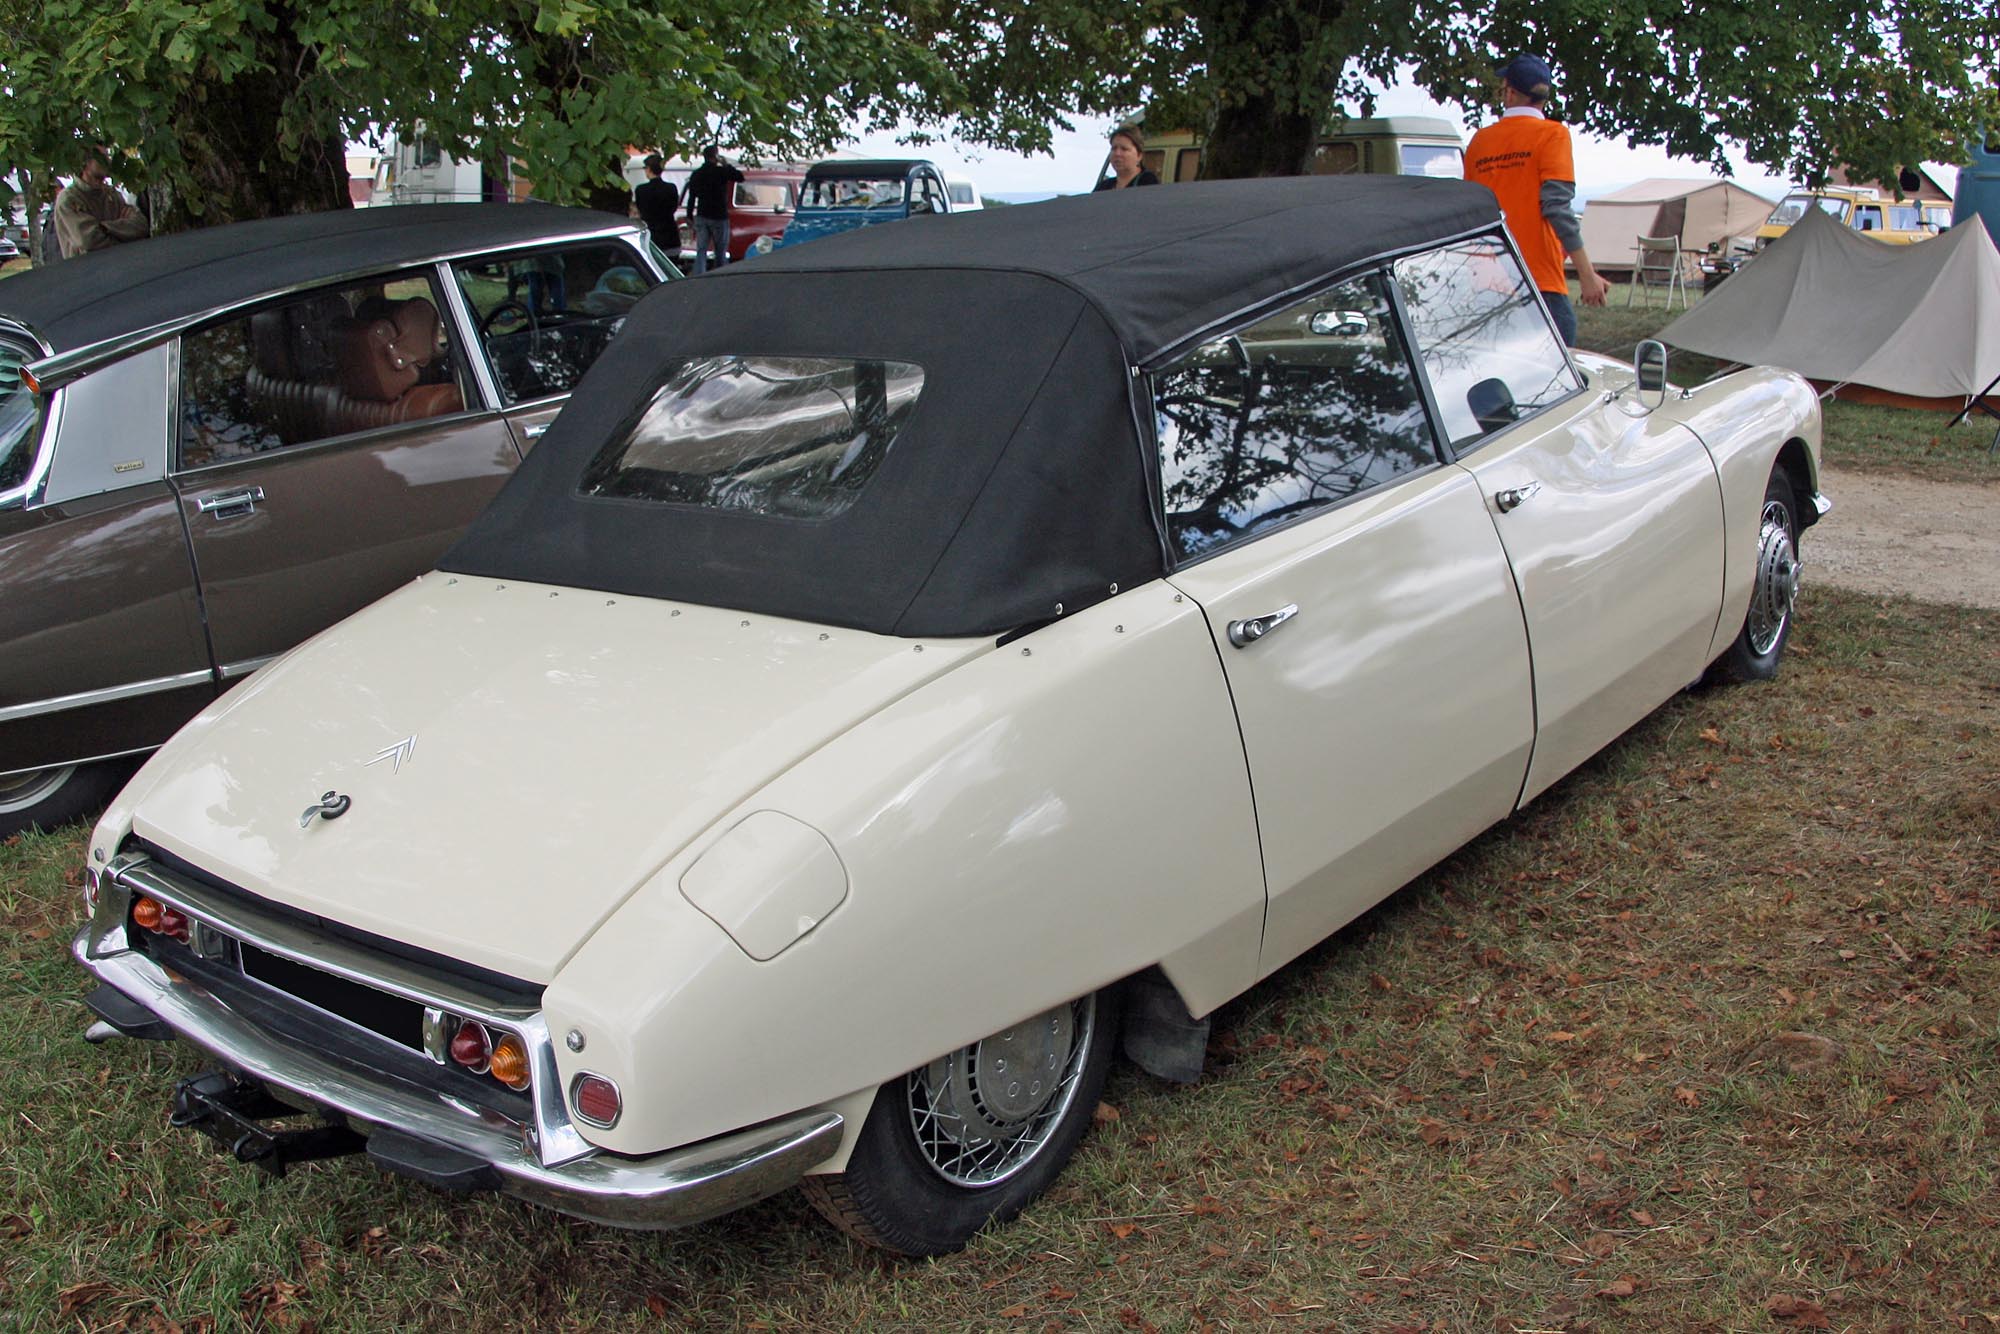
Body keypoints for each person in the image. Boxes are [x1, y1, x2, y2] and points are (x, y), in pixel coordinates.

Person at [1462, 55, 1608, 347]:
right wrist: (1586, 273)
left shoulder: (1480, 141)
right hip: (1540, 281)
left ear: (1510, 91)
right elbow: (1556, 208)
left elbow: (1470, 210)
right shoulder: (1553, 135)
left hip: (1488, 281)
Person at [53, 153, 151, 256]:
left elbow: (141, 225)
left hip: (121, 264)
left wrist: (104, 228)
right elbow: (88, 240)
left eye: (107, 156)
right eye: (101, 157)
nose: (107, 161)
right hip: (89, 270)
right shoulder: (69, 200)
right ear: (86, 163)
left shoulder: (111, 194)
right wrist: (123, 234)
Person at [682, 144, 745, 274]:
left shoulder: (697, 174)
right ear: (715, 156)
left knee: (701, 250)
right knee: (720, 250)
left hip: (702, 214)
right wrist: (726, 164)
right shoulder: (721, 172)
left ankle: (699, 274)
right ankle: (721, 274)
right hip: (719, 215)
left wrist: (689, 215)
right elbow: (740, 177)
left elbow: (692, 197)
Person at [632, 153, 682, 255]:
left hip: (651, 237)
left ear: (649, 169)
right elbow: (673, 207)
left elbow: (641, 209)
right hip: (670, 236)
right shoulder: (671, 188)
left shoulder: (641, 190)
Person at [1094, 126, 1161, 191]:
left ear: (1139, 156)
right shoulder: (1103, 187)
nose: (1117, 154)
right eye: (1114, 148)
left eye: (1124, 149)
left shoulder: (1148, 183)